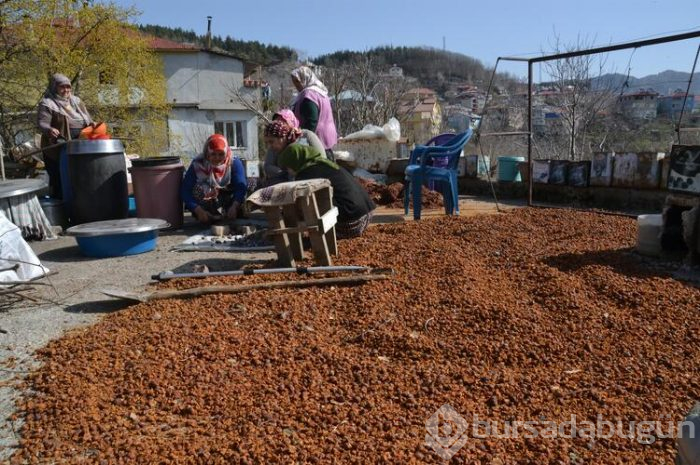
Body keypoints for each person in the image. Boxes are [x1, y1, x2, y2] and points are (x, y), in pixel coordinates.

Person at [266, 122, 375, 238]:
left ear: (295, 162)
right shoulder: (322, 163)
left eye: (288, 167)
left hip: (353, 222)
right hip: (367, 215)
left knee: (310, 208)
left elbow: (304, 207)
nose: (289, 171)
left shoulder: (306, 174)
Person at [37, 73, 93, 198]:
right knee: (60, 178)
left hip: (79, 144)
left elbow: (88, 118)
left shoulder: (76, 101)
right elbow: (42, 123)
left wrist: (93, 124)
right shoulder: (47, 103)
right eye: (62, 87)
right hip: (58, 145)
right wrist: (49, 129)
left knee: (78, 177)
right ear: (54, 87)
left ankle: (79, 205)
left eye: (68, 87)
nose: (66, 90)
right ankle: (60, 208)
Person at [181, 134, 247, 225]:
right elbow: (185, 190)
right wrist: (197, 209)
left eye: (221, 154)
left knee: (249, 185)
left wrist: (235, 206)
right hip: (208, 200)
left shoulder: (234, 163)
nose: (217, 158)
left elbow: (241, 187)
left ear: (226, 152)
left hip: (228, 199)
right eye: (213, 154)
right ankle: (206, 214)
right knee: (198, 189)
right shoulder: (198, 164)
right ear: (208, 153)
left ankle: (230, 212)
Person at [263, 110, 325, 186]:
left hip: (311, 178)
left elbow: (322, 157)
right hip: (284, 181)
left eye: (283, 122)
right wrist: (284, 172)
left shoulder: (307, 135)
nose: (280, 124)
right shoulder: (275, 143)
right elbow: (268, 166)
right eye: (277, 122)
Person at [290, 66, 338, 160]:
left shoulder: (309, 94)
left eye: (297, 81)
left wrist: (304, 141)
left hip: (317, 139)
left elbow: (311, 120)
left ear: (304, 79)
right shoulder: (321, 92)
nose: (295, 85)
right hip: (327, 138)